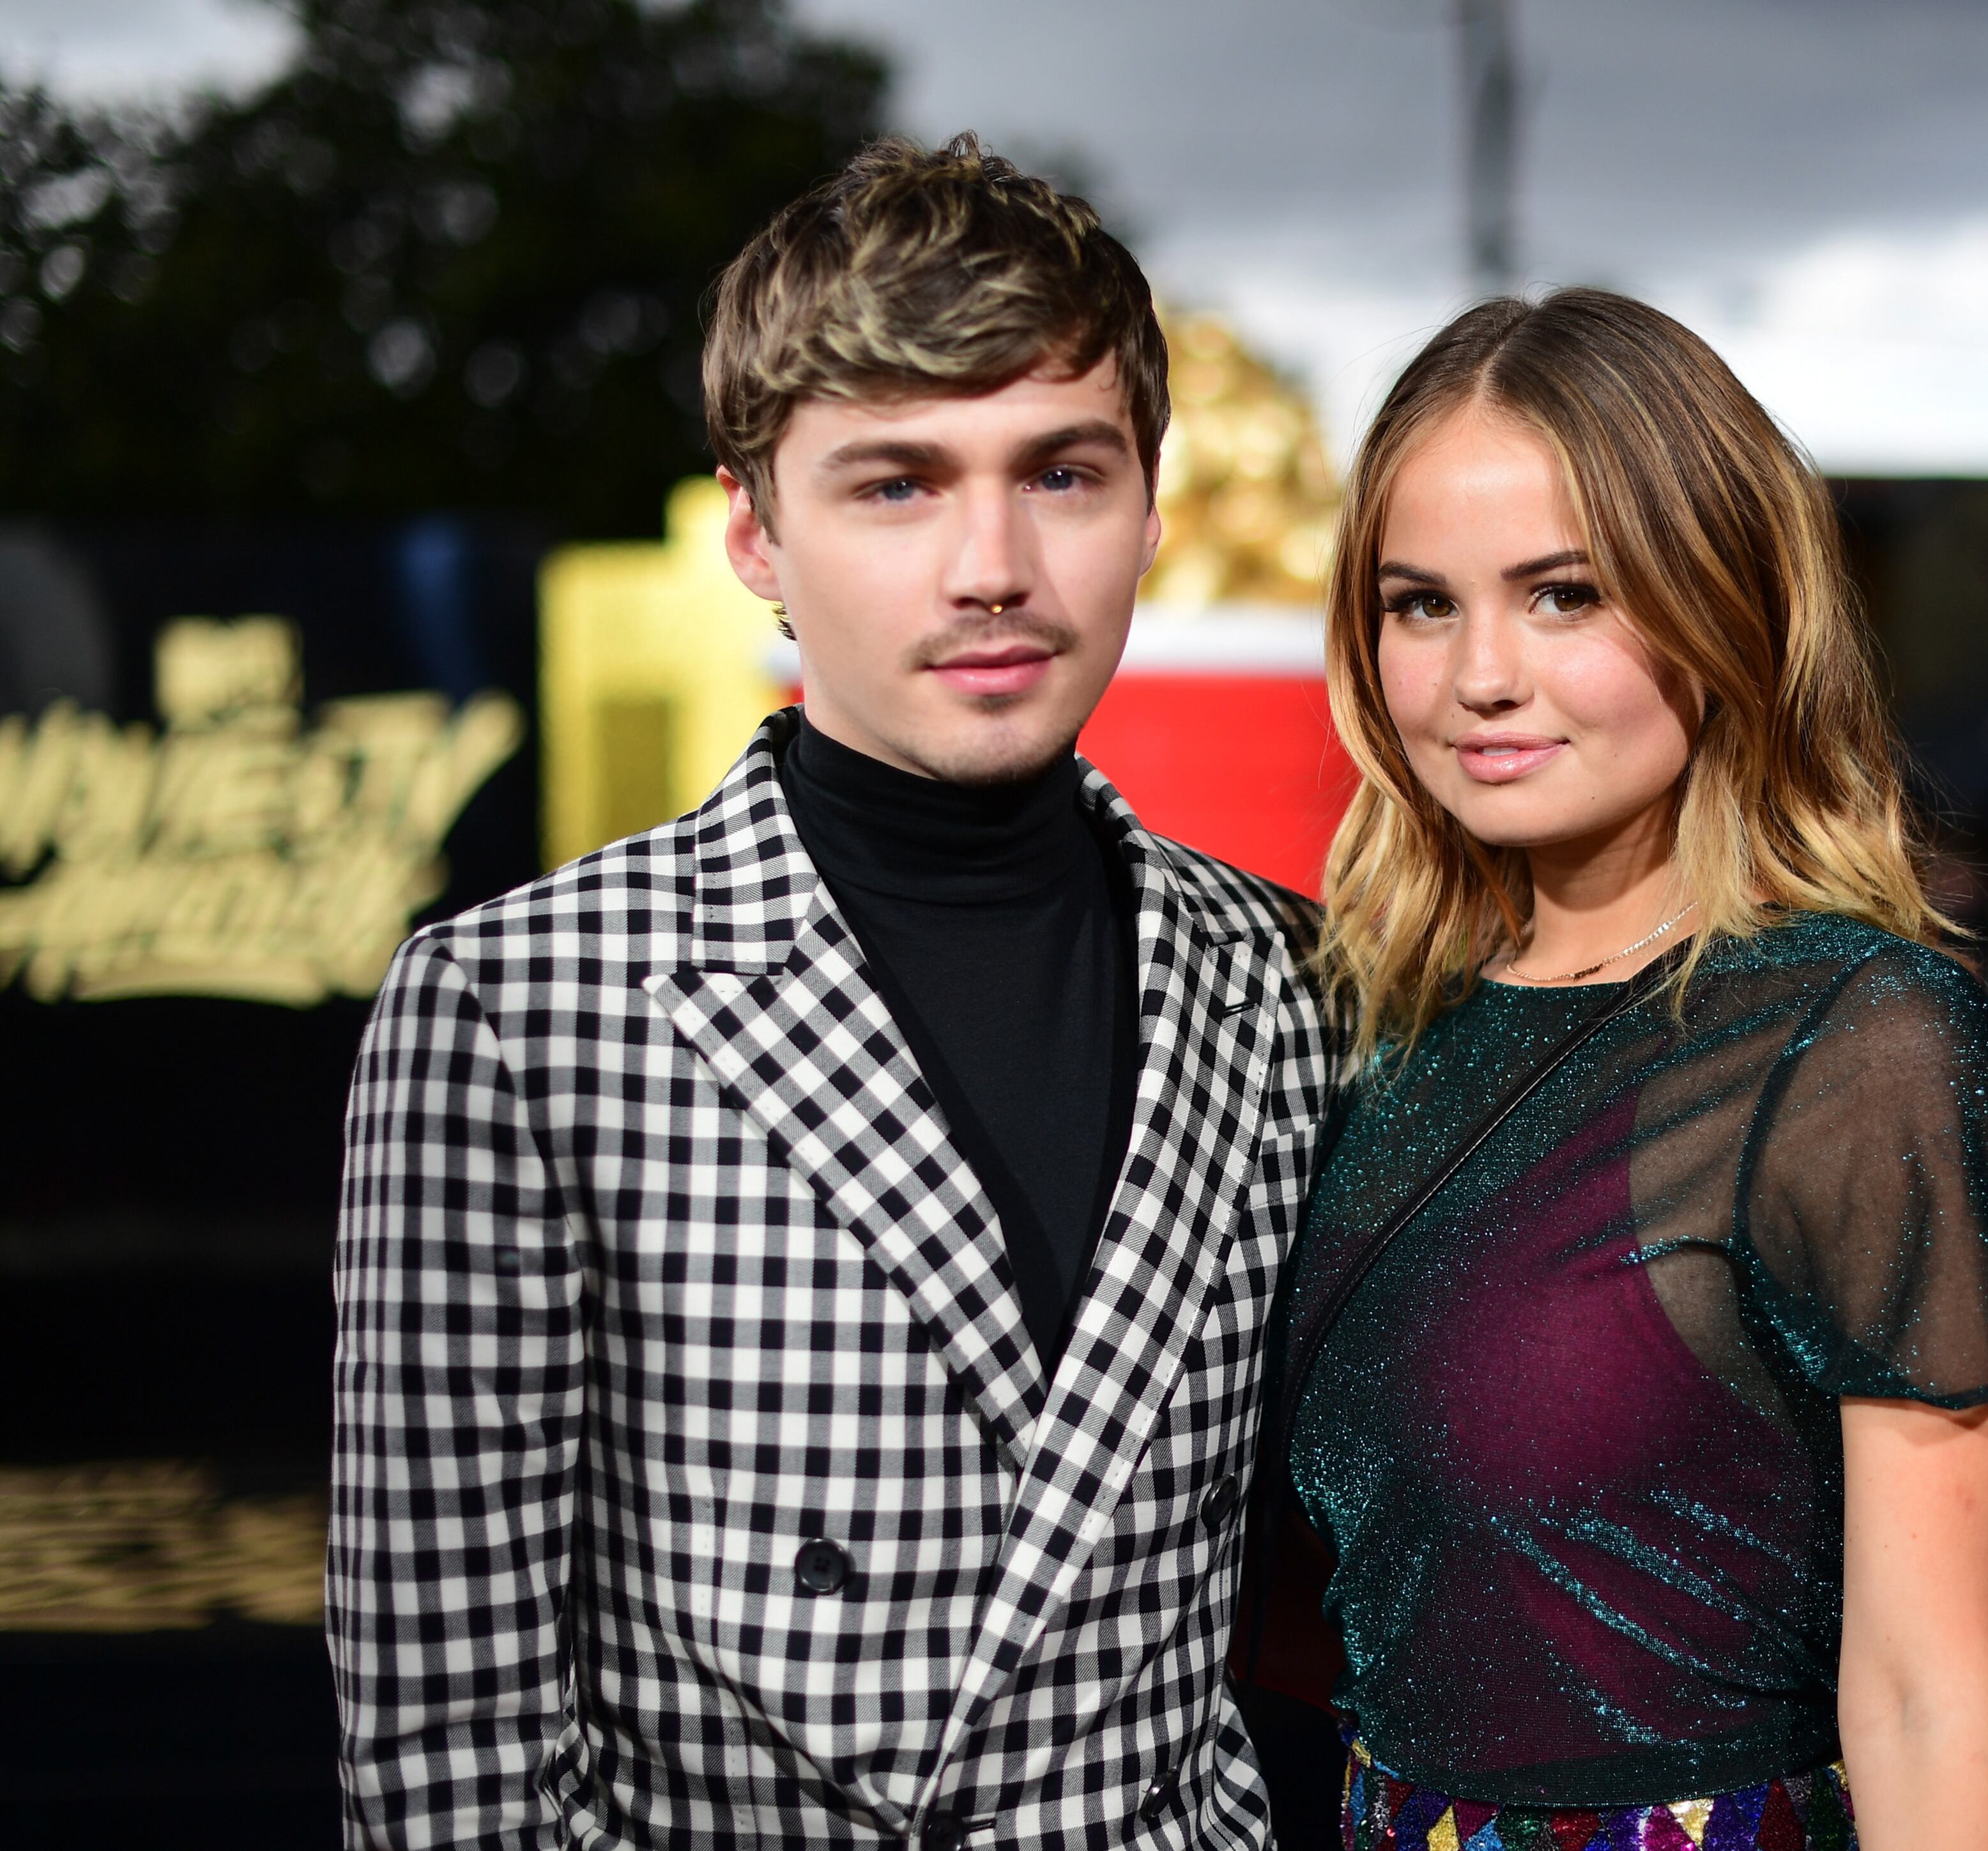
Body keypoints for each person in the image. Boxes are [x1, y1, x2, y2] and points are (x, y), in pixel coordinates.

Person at [326, 137, 1334, 1848]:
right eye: (897, 484)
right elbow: (449, 1755)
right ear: (754, 534)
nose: (993, 565)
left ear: (1154, 513)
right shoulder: (524, 1007)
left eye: (1063, 475)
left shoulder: (1292, 978)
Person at [1269, 289, 1988, 1851]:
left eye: (1565, 594)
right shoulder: (1368, 1020)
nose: (1479, 675)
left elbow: (1924, 1695)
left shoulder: (1860, 1045)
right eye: (1420, 602)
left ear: (1725, 603)